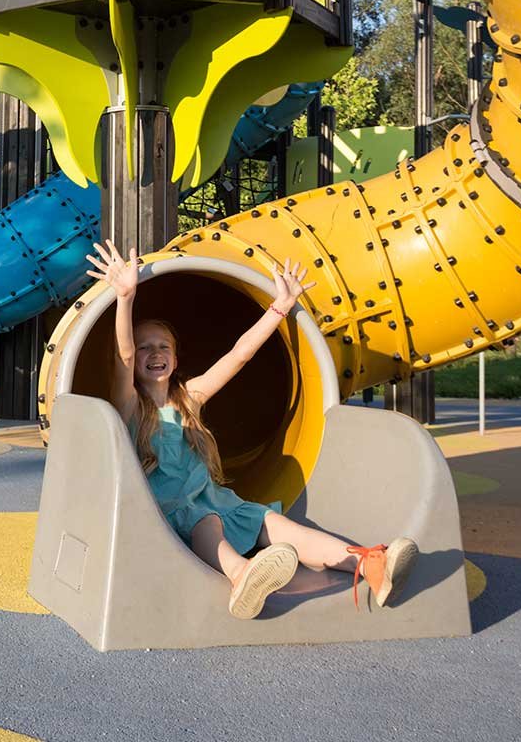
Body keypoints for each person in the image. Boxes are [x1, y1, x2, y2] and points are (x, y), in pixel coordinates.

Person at [84, 239, 418, 620]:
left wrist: (281, 307)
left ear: (175, 359)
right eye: (146, 348)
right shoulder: (129, 405)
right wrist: (125, 297)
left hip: (214, 502)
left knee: (272, 523)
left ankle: (370, 565)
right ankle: (241, 575)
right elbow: (123, 355)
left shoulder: (189, 399)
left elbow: (239, 355)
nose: (154, 353)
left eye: (164, 347)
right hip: (164, 516)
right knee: (205, 521)